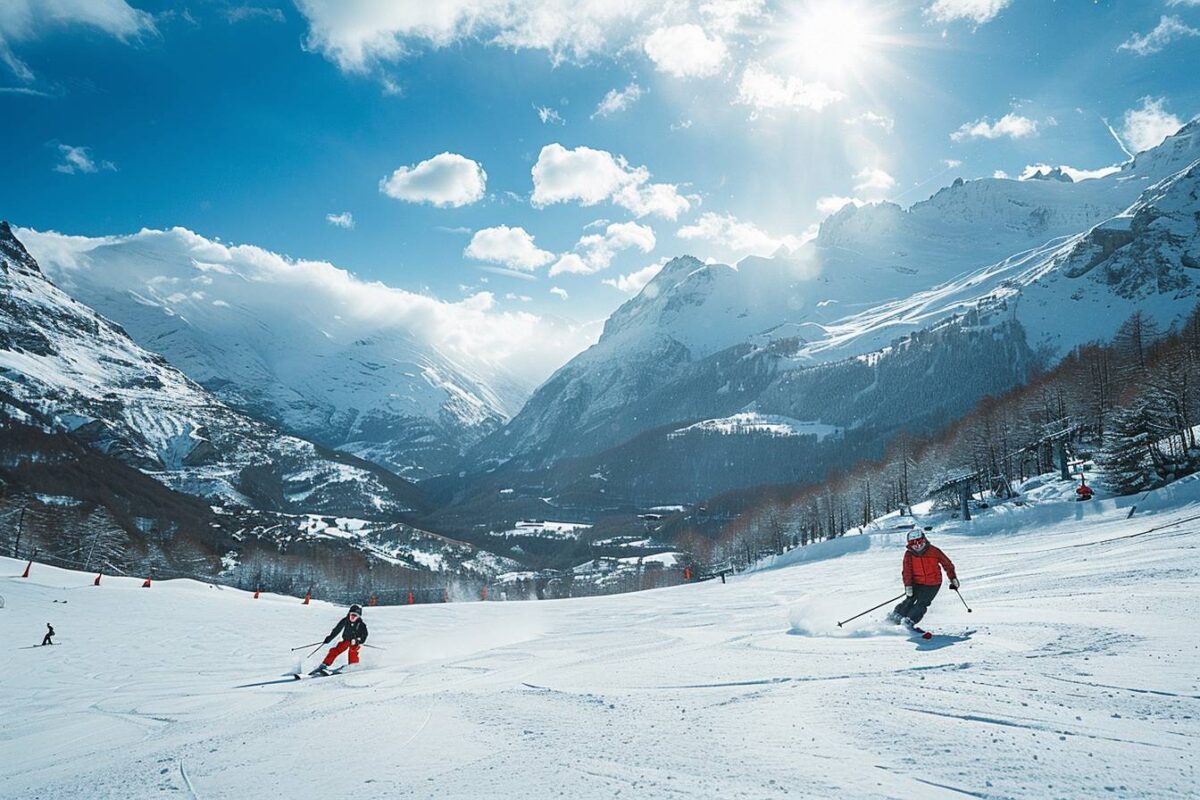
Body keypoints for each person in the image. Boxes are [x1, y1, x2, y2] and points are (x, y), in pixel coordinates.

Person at [889, 528, 958, 628]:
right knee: (910, 599)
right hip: (916, 582)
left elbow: (947, 564)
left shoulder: (934, 551)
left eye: (920, 542)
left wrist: (953, 578)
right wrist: (908, 586)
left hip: (933, 583)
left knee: (922, 603)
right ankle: (896, 616)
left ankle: (909, 621)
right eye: (913, 543)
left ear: (924, 540)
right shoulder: (909, 554)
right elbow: (907, 571)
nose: (917, 545)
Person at [310, 604, 368, 675]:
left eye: (355, 615)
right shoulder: (345, 620)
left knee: (352, 651)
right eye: (352, 614)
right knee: (335, 650)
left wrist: (358, 641)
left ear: (358, 617)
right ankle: (324, 664)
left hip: (355, 642)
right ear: (349, 614)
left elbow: (364, 635)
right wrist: (329, 638)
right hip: (346, 640)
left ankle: (353, 666)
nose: (353, 617)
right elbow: (337, 630)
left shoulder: (361, 624)